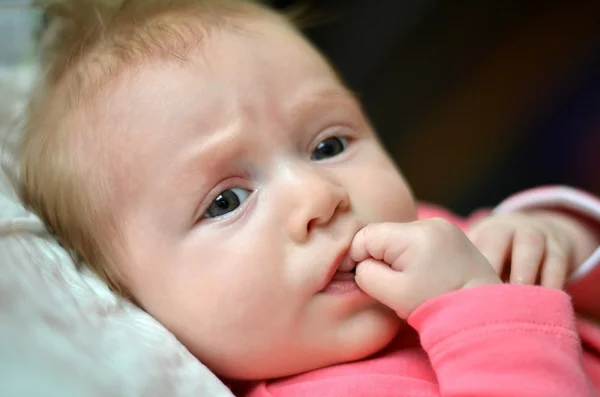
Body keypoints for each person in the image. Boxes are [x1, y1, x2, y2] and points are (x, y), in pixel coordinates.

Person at [21, 1, 600, 395]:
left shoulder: (438, 242)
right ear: (137, 305)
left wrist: (556, 234)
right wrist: (480, 311)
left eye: (328, 144)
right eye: (226, 201)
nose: (320, 196)